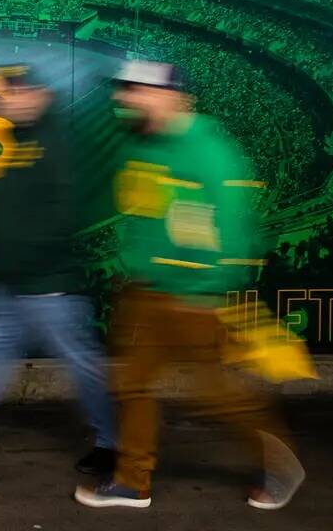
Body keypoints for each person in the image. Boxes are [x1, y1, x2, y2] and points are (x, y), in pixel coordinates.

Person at [75, 60, 304, 511]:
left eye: (139, 90)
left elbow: (237, 229)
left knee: (218, 397)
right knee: (133, 386)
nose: (127, 98)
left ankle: (280, 463)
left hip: (192, 297)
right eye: (126, 90)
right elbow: (145, 214)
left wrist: (209, 290)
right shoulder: (143, 143)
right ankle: (133, 482)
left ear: (175, 97)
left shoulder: (208, 150)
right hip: (145, 291)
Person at [0, 65, 117, 476]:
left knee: (83, 365)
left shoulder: (58, 141)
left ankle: (112, 441)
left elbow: (65, 211)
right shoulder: (23, 138)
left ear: (39, 94)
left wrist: (28, 258)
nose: (4, 99)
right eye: (3, 93)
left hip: (49, 284)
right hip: (12, 282)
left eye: (13, 93)